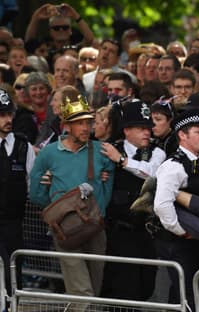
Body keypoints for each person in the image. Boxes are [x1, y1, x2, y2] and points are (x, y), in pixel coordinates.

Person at [29, 92, 114, 305]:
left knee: (93, 289)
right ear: (66, 125)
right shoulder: (48, 153)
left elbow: (108, 188)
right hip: (64, 229)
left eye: (88, 122)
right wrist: (58, 210)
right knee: (82, 291)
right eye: (79, 123)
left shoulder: (102, 152)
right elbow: (36, 193)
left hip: (95, 227)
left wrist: (97, 213)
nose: (86, 127)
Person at [153, 108, 199, 310]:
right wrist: (182, 231)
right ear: (182, 135)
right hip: (178, 240)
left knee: (185, 288)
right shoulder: (173, 166)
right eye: (198, 132)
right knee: (187, 291)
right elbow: (162, 205)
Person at [99, 99, 165, 306]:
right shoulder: (109, 149)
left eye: (149, 128)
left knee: (145, 285)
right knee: (118, 288)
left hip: (146, 232)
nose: (148, 132)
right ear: (127, 130)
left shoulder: (157, 152)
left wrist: (122, 161)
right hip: (116, 233)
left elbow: (152, 173)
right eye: (141, 128)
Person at [0, 88, 36, 294]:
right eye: (1, 115)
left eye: (8, 114)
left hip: (15, 223)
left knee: (14, 275)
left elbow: (33, 184)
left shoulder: (24, 146)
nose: (7, 119)